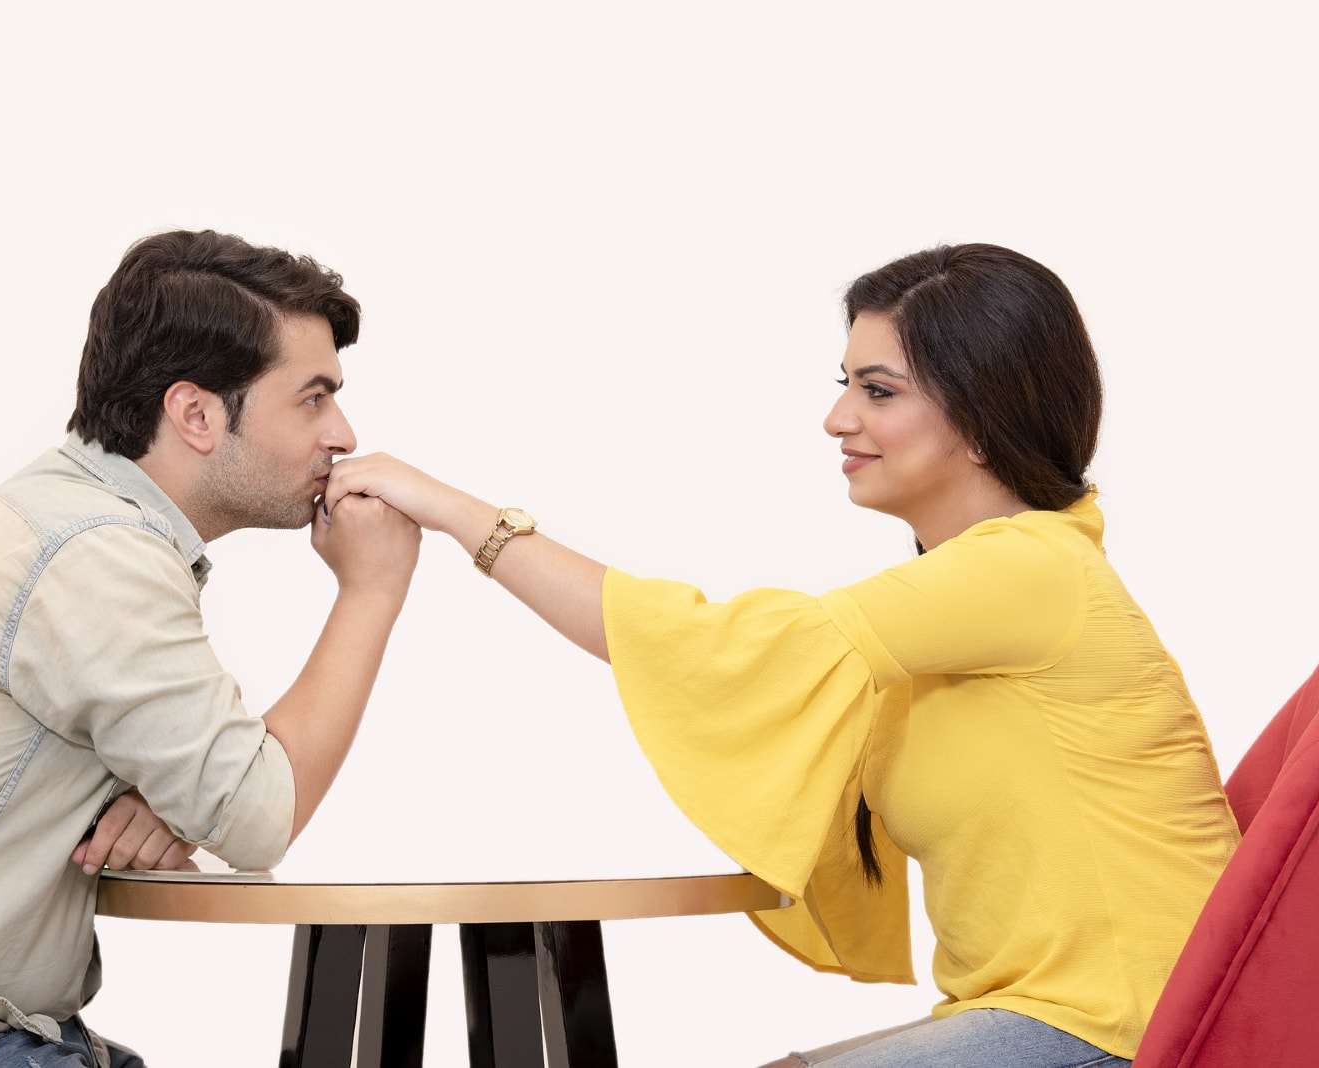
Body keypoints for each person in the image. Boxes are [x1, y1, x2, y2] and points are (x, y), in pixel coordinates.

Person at [319, 243, 1239, 1067]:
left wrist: (447, 507)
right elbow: (761, 686)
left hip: (1122, 1031)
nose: (838, 418)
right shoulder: (974, 589)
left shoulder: (1029, 571)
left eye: (878, 391)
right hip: (1047, 1018)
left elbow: (719, 649)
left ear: (981, 415)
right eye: (845, 383)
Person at [0, 229, 421, 1067]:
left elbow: (215, 789)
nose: (344, 434)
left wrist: (163, 793)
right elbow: (258, 815)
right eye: (312, 399)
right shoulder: (97, 555)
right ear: (196, 413)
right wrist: (372, 591)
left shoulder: (80, 521)